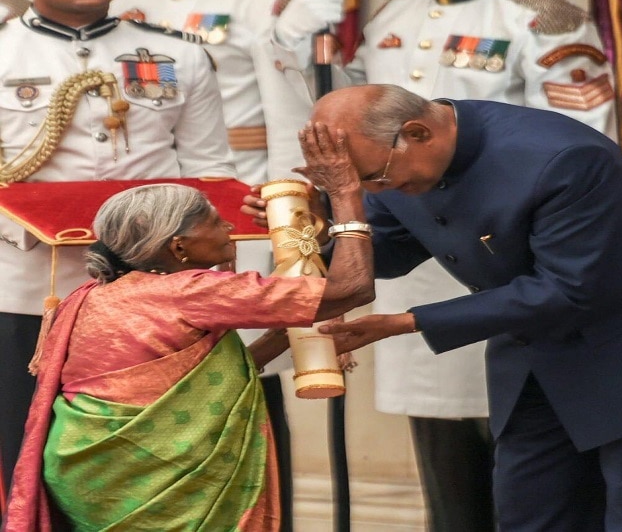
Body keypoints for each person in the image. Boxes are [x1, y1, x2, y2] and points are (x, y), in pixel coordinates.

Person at [242, 84, 622, 530]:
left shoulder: (562, 160)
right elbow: (386, 251)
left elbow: (565, 290)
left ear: (417, 133)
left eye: (374, 178)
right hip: (535, 354)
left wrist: (407, 322)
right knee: (527, 513)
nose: (376, 193)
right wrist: (319, 231)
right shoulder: (391, 168)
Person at [272, 0, 617, 528]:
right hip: (409, 252)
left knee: (526, 440)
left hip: (516, 263)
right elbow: (349, 127)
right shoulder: (394, 12)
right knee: (440, 435)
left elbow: (582, 143)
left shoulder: (543, 17)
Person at [2, 175, 373, 530]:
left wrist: (281, 335)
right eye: (214, 222)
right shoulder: (191, 291)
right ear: (178, 246)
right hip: (158, 481)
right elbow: (350, 290)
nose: (228, 226)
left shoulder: (90, 296)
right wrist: (346, 197)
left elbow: (196, 381)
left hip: (86, 473)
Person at [107, 0, 343, 527]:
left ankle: (260, 512)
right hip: (138, 217)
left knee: (243, 373)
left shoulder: (255, 0)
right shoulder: (116, 1)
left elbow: (285, 103)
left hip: (237, 205)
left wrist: (291, 216)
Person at [0, 0, 236, 492]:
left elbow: (210, 171)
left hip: (155, 294)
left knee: (157, 456)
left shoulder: (179, 54)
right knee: (34, 458)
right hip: (30, 287)